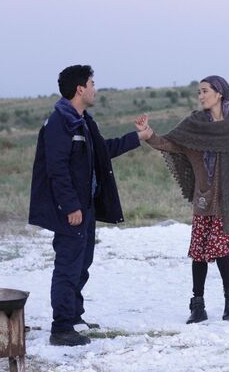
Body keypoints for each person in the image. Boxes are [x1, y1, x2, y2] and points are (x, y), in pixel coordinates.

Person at [29, 65, 151, 346]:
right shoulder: (60, 123)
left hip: (85, 206)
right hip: (71, 209)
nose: (95, 88)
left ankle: (74, 317)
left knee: (82, 264)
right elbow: (57, 169)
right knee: (68, 266)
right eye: (92, 83)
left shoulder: (82, 121)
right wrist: (71, 206)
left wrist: (139, 137)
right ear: (80, 88)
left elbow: (101, 152)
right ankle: (61, 328)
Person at [135, 75, 229, 324]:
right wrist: (149, 134)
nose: (200, 96)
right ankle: (197, 305)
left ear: (219, 93)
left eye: (205, 91)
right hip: (203, 199)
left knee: (219, 248)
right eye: (199, 92)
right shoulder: (194, 124)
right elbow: (169, 143)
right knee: (198, 251)